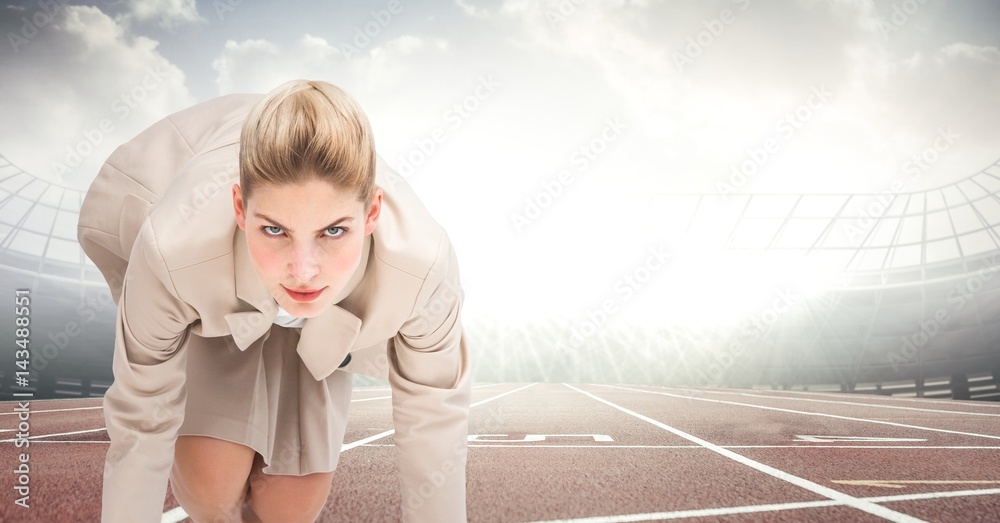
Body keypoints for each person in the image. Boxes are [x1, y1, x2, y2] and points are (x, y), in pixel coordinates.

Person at [77, 79, 471, 522]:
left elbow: (434, 422)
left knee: (290, 508)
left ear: (372, 214)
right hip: (218, 289)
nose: (303, 270)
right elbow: (141, 421)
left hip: (332, 313)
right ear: (241, 209)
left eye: (334, 231)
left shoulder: (423, 267)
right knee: (212, 487)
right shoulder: (174, 251)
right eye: (275, 229)